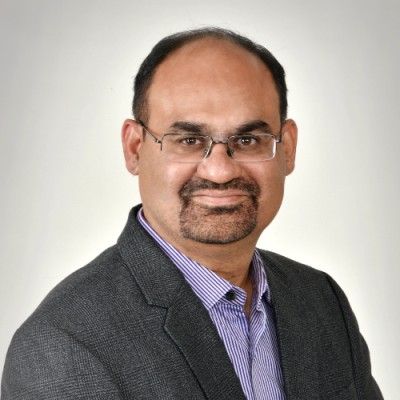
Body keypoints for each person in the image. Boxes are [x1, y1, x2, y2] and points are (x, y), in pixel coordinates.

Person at [1, 27, 383, 400]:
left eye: (248, 139)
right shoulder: (63, 350)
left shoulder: (321, 300)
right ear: (135, 149)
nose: (220, 171)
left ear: (287, 149)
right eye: (188, 140)